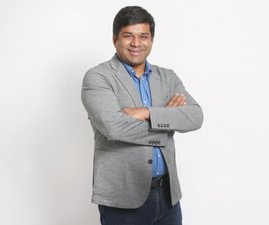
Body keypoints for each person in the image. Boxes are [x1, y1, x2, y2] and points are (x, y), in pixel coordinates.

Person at [81, 6, 203, 225]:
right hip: (123, 200)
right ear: (115, 39)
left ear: (151, 40)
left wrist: (147, 113)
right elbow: (113, 127)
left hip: (168, 196)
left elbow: (195, 116)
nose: (136, 44)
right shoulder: (98, 78)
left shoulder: (167, 77)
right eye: (128, 36)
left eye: (143, 36)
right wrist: (168, 122)